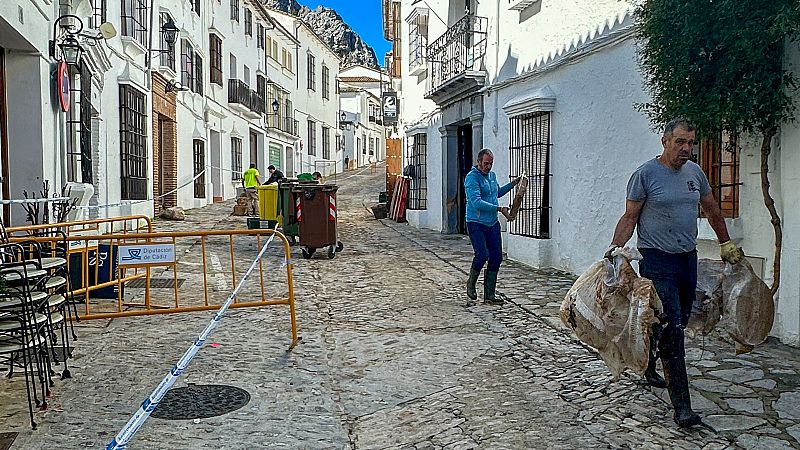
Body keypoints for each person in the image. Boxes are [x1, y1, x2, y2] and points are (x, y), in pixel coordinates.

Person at [607, 118, 744, 428]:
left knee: (675, 317)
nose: (687, 149)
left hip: (687, 260)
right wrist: (615, 249)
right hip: (657, 261)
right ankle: (682, 407)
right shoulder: (645, 175)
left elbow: (711, 207)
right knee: (674, 329)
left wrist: (725, 242)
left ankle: (648, 362)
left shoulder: (695, 174)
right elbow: (630, 217)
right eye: (681, 142)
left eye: (691, 143)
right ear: (665, 141)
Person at [464, 148, 520, 305]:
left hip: (492, 222)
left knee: (496, 257)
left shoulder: (492, 176)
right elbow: (476, 202)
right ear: (479, 162)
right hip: (476, 222)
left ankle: (490, 294)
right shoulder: (472, 179)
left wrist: (513, 184)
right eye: (486, 163)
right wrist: (499, 209)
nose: (488, 167)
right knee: (482, 255)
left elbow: (497, 192)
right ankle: (471, 284)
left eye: (491, 164)